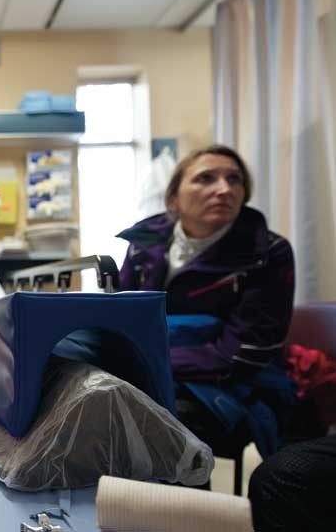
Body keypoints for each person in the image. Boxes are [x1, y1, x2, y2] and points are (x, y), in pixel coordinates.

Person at [117, 145, 296, 460]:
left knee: (162, 424)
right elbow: (117, 318)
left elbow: (244, 351)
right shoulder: (144, 244)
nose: (224, 189)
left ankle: (181, 510)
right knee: (86, 401)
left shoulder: (268, 253)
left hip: (233, 384)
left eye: (234, 179)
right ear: (174, 198)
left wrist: (151, 362)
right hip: (152, 370)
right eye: (206, 178)